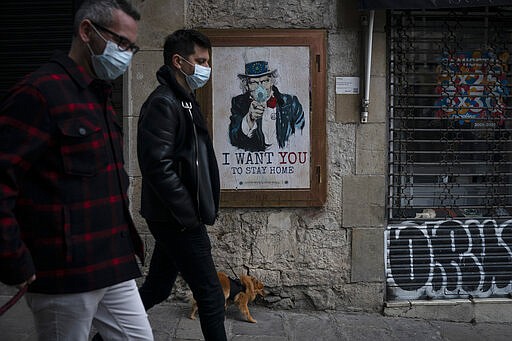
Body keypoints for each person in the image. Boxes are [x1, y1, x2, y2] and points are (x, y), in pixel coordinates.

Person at [0, 1, 153, 340]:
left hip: (111, 260)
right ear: (87, 31)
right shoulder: (39, 93)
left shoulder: (97, 95)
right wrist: (13, 259)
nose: (126, 54)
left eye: (132, 46)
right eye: (122, 43)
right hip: (64, 270)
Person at [136, 29, 227, 340]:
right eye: (200, 60)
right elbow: (157, 166)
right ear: (178, 61)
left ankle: (106, 332)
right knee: (211, 295)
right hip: (177, 219)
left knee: (158, 288)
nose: (205, 68)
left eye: (207, 61)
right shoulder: (163, 103)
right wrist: (188, 215)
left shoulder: (186, 100)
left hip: (175, 216)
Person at [229, 47, 305, 152]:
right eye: (254, 82)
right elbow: (234, 139)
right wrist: (249, 119)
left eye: (265, 81)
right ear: (246, 85)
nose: (261, 88)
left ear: (272, 81)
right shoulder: (238, 103)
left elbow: (300, 138)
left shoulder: (291, 103)